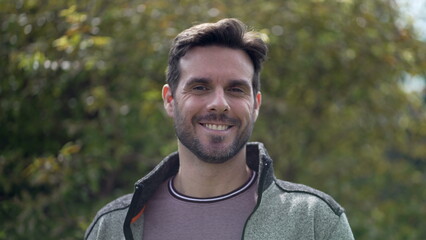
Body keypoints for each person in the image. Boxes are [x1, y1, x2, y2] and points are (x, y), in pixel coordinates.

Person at [85, 18, 354, 240]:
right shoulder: (111, 228)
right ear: (170, 100)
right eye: (200, 87)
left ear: (256, 104)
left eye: (236, 89)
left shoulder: (315, 221)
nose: (219, 104)